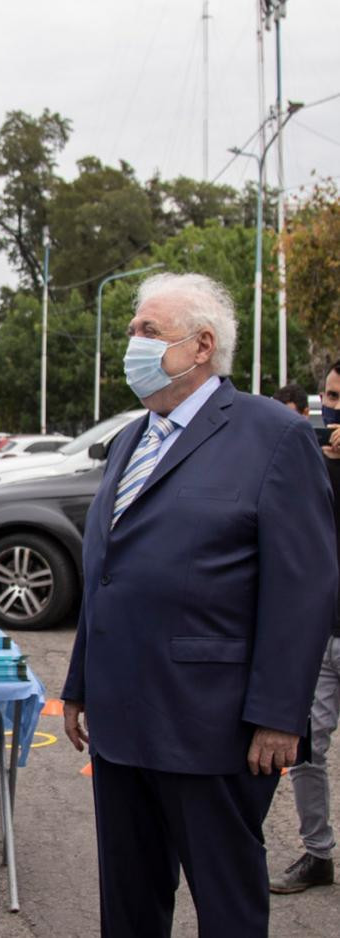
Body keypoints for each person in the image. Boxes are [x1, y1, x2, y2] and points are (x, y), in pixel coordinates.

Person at [62, 272, 337, 937]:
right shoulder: (132, 437)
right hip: (121, 719)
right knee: (129, 899)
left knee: (227, 902)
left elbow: (304, 587)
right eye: (132, 329)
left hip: (213, 726)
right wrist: (79, 684)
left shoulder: (273, 436)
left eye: (147, 331)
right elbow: (107, 572)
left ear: (203, 345)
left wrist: (279, 715)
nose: (131, 342)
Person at [269, 362, 340, 894]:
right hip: (322, 637)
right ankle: (318, 853)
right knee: (307, 750)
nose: (333, 408)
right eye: (330, 397)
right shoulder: (315, 462)